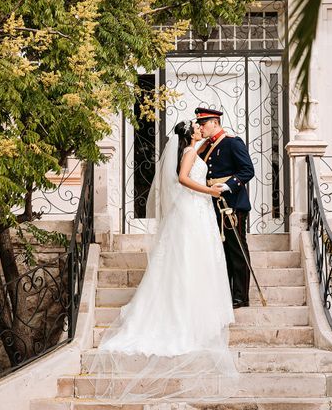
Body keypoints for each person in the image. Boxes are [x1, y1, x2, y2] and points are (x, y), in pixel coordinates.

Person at [87, 120, 238, 402]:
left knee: (191, 262)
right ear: (190, 134)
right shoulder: (190, 153)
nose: (200, 127)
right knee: (188, 261)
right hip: (194, 208)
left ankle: (194, 311)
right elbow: (183, 178)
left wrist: (218, 139)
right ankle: (186, 318)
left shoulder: (193, 148)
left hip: (195, 209)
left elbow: (200, 153)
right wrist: (211, 191)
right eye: (197, 126)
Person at [195, 107, 255, 309]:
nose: (201, 128)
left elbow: (247, 170)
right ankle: (227, 294)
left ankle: (241, 296)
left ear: (215, 122)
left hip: (232, 204)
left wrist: (228, 185)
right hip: (212, 202)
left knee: (236, 249)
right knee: (221, 251)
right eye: (200, 124)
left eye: (204, 124)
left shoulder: (232, 142)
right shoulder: (206, 146)